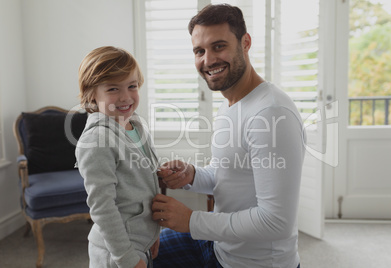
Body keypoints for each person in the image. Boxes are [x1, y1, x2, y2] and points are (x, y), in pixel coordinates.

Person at [152, 4, 305, 268]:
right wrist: (193, 175)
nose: (208, 60)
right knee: (137, 255)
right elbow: (230, 175)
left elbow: (276, 222)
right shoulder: (231, 102)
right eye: (199, 51)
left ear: (245, 43)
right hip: (218, 244)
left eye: (219, 46)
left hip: (252, 263)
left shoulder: (271, 113)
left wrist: (191, 221)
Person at [76, 46, 160, 268]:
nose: (125, 97)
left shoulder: (136, 124)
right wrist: (127, 259)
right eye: (113, 89)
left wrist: (153, 232)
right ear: (91, 93)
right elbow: (102, 207)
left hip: (140, 240)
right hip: (117, 253)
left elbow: (143, 180)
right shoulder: (96, 140)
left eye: (132, 86)